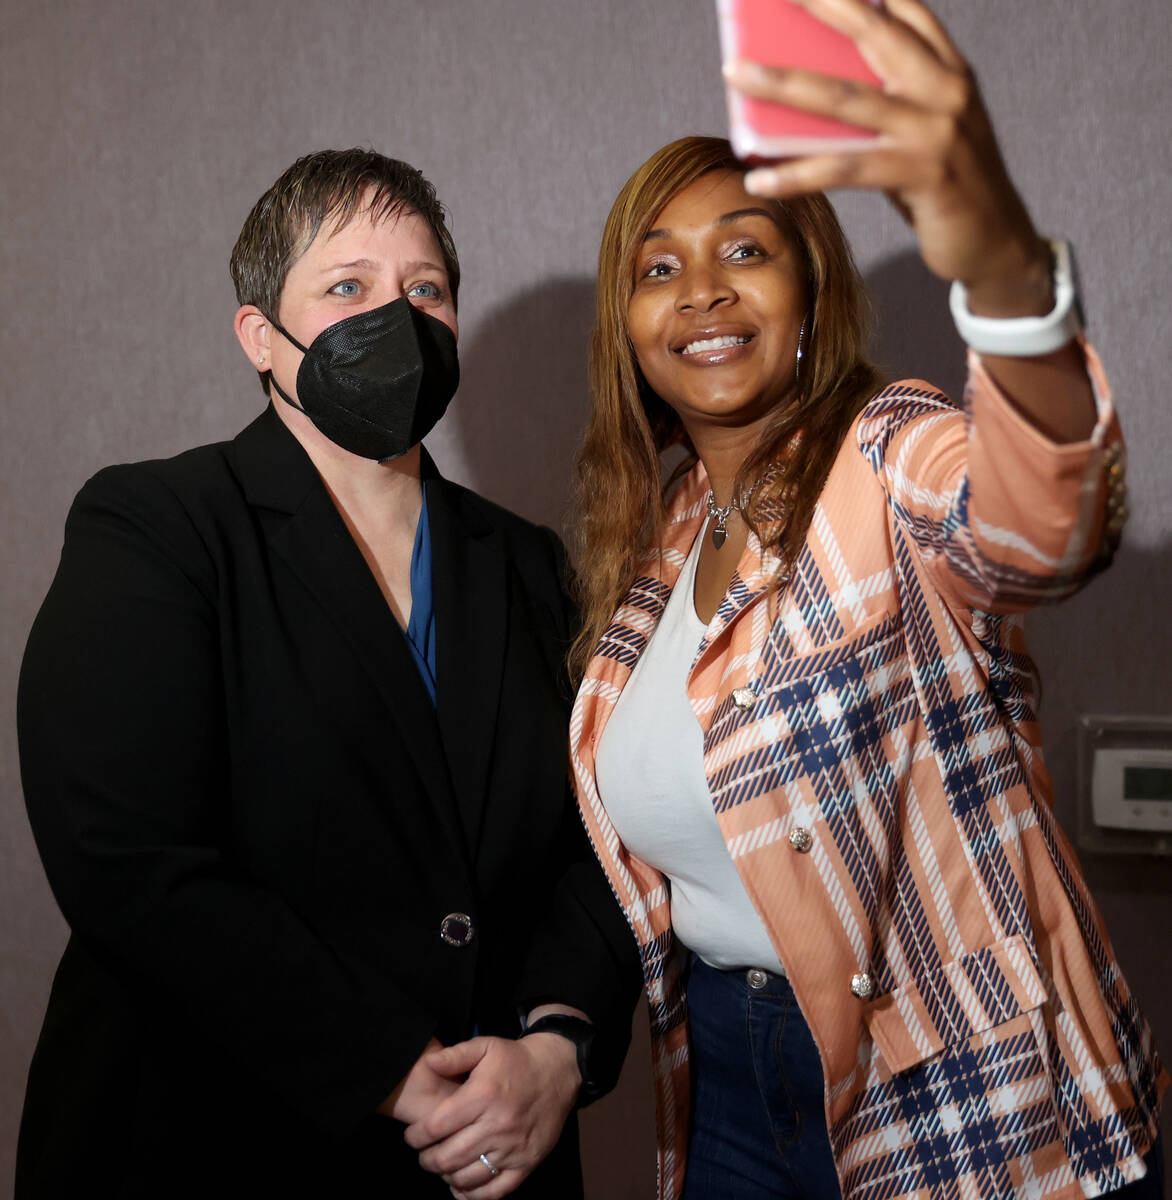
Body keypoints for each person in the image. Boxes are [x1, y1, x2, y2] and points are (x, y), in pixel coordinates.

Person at [567, 2, 1165, 1198]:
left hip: (966, 1095)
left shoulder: (884, 449)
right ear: (627, 329)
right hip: (724, 1084)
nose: (701, 293)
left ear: (807, 291)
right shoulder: (663, 535)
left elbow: (1037, 526)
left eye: (745, 249)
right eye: (658, 268)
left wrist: (992, 254)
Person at [16, 148, 640, 1200]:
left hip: (489, 1162)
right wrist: (391, 1066)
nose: (391, 318)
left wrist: (557, 1048)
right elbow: (123, 854)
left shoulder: (533, 565)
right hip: (206, 1142)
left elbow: (603, 839)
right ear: (261, 337)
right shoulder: (156, 528)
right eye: (347, 287)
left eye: (424, 289)